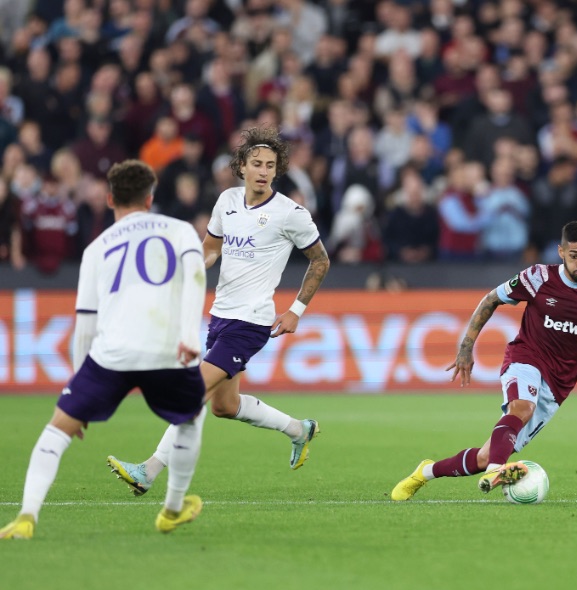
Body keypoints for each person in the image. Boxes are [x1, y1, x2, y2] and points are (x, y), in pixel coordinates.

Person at [106, 126, 331, 498]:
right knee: (224, 406)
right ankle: (298, 429)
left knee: (191, 390)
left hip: (252, 320)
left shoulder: (290, 213)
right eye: (256, 163)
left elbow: (320, 260)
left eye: (270, 165)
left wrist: (295, 311)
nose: (263, 171)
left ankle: (148, 470)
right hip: (222, 316)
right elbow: (210, 248)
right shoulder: (227, 201)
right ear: (241, 166)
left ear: (278, 171)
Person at [1, 160, 208, 539]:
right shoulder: (179, 231)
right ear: (150, 197)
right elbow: (196, 278)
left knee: (58, 428)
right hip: (166, 351)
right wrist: (190, 335)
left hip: (112, 353)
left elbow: (85, 321)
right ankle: (172, 509)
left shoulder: (97, 248)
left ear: (110, 198)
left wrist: (79, 387)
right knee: (191, 417)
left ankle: (26, 517)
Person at [390, 221, 577, 500]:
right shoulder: (539, 278)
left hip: (558, 386)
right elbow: (491, 299)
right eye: (574, 255)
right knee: (521, 408)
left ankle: (425, 472)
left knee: (485, 455)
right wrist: (466, 347)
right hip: (525, 358)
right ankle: (496, 470)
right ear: (561, 252)